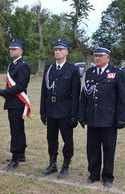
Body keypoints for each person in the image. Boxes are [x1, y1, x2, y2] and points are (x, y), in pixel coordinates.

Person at [78, 45, 125, 188]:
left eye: (100, 56)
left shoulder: (116, 73)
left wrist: (121, 119)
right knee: (92, 148)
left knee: (109, 148)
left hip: (109, 119)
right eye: (96, 56)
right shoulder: (90, 72)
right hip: (92, 118)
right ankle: (93, 174)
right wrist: (81, 115)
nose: (97, 58)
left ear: (108, 58)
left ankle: (107, 176)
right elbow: (84, 96)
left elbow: (122, 99)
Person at [40, 39, 81, 178]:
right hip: (51, 109)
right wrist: (43, 111)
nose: (57, 52)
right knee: (51, 138)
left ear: (67, 52)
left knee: (67, 140)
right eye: (56, 49)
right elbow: (44, 92)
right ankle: (52, 164)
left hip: (65, 110)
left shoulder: (73, 69)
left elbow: (76, 94)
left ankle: (65, 165)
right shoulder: (49, 68)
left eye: (61, 49)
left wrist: (74, 114)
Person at [0, 39, 31, 171]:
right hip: (12, 102)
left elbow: (21, 86)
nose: (11, 51)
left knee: (16, 131)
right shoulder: (12, 65)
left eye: (14, 49)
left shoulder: (23, 65)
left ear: (21, 51)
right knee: (18, 130)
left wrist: (4, 92)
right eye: (10, 48)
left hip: (18, 103)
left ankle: (15, 159)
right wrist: (3, 92)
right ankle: (21, 154)